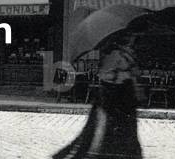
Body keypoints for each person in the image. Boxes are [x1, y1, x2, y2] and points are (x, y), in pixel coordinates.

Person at [54, 31, 142, 159]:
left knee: (125, 129)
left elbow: (135, 73)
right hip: (114, 94)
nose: (132, 41)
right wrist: (120, 73)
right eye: (129, 38)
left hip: (125, 96)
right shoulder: (113, 54)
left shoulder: (127, 54)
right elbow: (105, 74)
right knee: (101, 127)